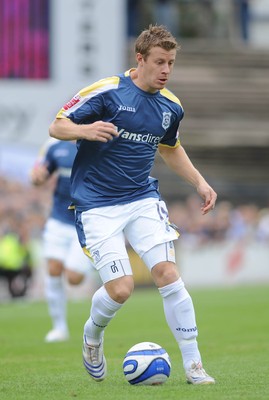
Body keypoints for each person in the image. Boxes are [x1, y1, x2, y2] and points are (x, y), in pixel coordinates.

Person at [49, 25, 217, 384]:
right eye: (159, 62)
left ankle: (194, 365)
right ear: (139, 59)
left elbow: (170, 148)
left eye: (171, 62)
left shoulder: (171, 106)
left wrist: (200, 182)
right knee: (121, 289)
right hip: (95, 204)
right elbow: (57, 125)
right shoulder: (108, 91)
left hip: (141, 198)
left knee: (168, 275)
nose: (166, 70)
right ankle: (92, 336)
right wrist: (85, 130)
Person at [31, 138, 94, 343]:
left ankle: (91, 264)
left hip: (87, 221)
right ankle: (59, 328)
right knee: (53, 268)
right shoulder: (53, 145)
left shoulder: (100, 139)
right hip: (58, 218)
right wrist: (37, 177)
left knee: (73, 278)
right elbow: (37, 175)